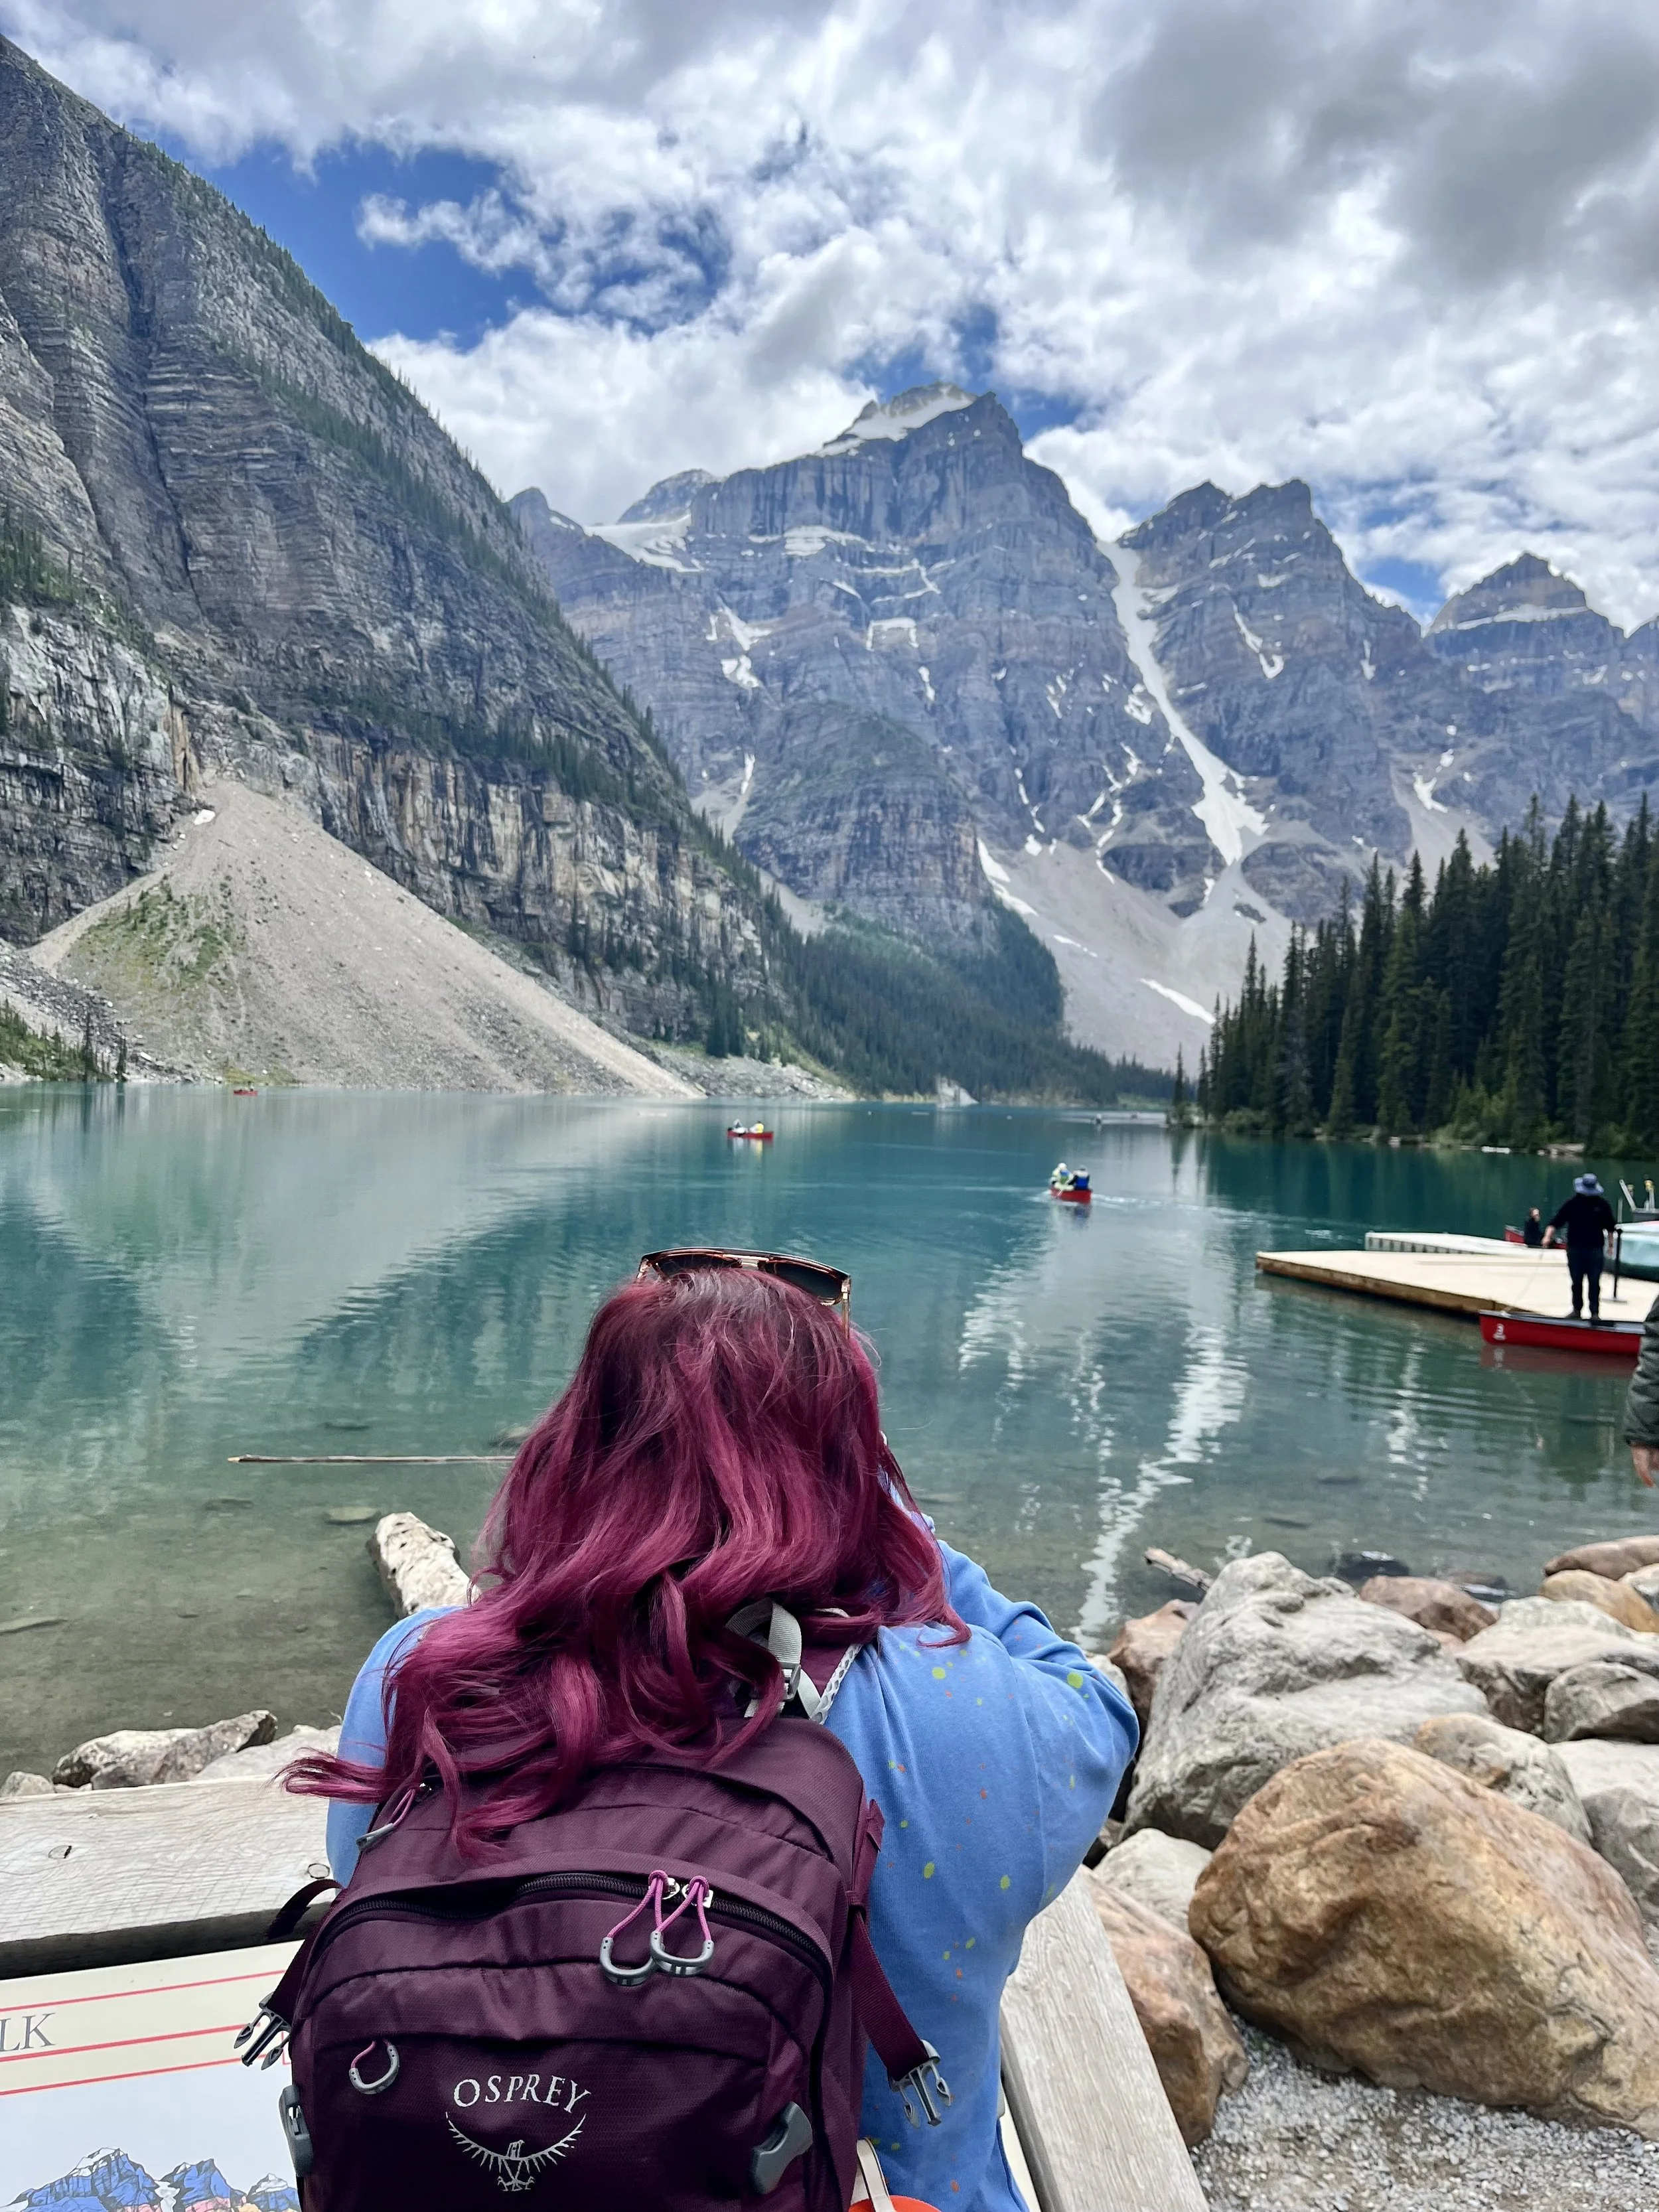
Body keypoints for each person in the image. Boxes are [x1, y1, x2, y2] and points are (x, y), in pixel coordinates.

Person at [294, 1257, 1137, 2212]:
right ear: (847, 1475)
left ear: (573, 1448)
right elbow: (1098, 1707)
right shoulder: (963, 1717)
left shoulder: (420, 1678)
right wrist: (891, 1521)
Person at [1543, 1172, 1617, 1321]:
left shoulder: (1602, 1205)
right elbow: (1556, 1222)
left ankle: (1594, 1313)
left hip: (1595, 1249)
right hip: (1575, 1248)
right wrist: (1547, 1236)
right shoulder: (1572, 1204)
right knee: (1576, 1281)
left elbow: (1610, 1227)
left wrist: (1610, 1246)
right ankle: (1577, 1310)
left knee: (1594, 1282)